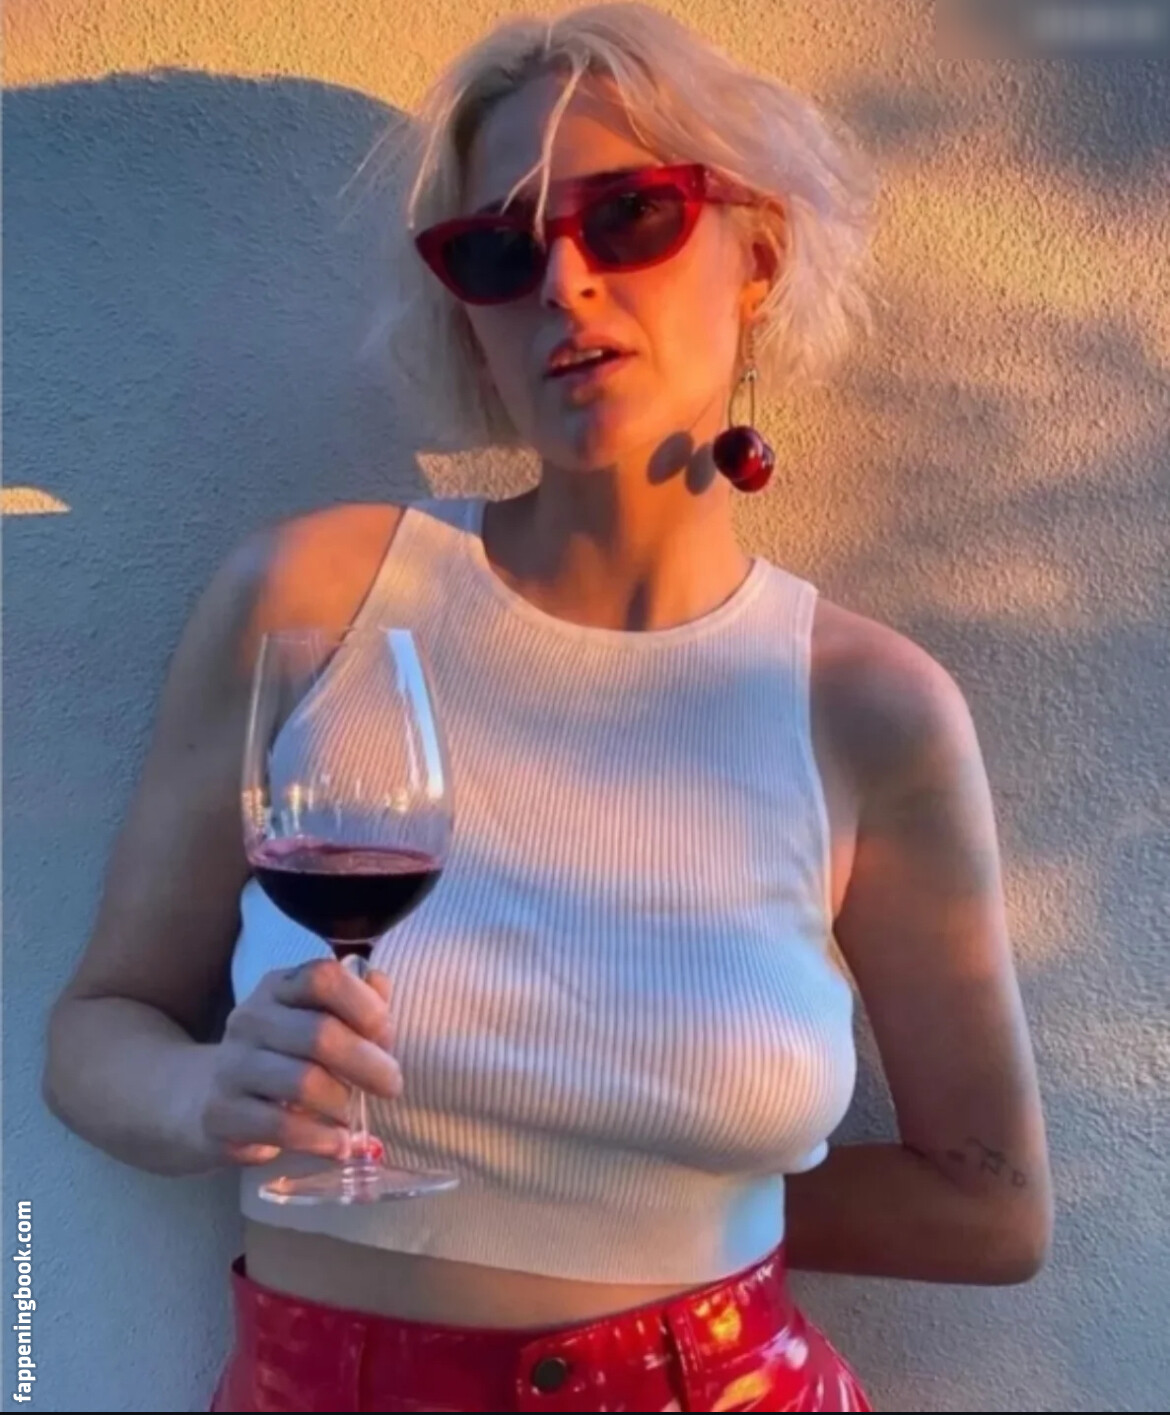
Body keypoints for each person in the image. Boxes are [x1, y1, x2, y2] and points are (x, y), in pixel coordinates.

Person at [43, 4, 1053, 1411]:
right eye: (500, 252)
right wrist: (200, 1098)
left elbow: (991, 1208)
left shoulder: (867, 708)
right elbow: (100, 1026)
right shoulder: (318, 601)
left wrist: (642, 1205)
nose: (565, 284)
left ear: (756, 256)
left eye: (631, 216)